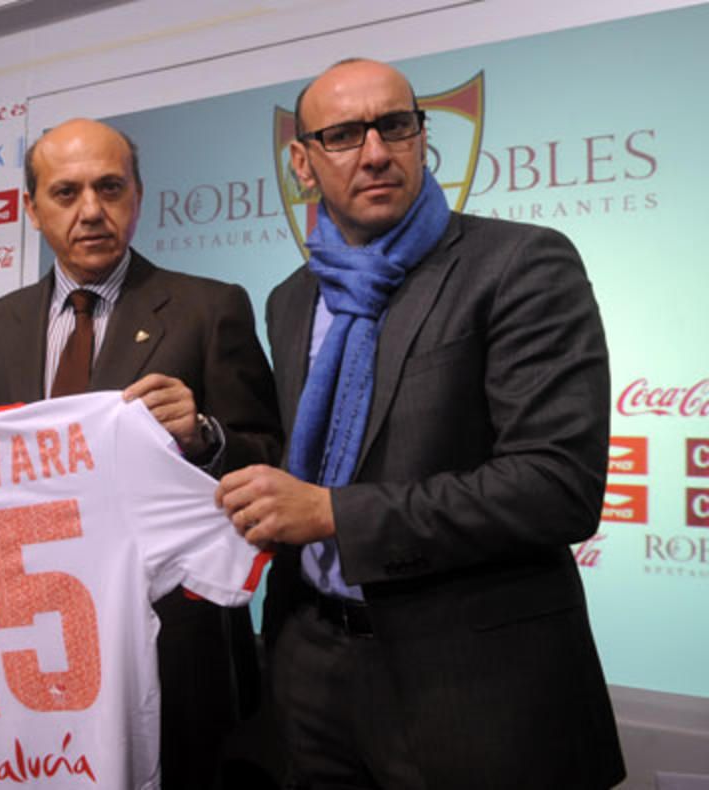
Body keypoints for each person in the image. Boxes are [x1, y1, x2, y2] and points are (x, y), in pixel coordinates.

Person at [216, 58, 626, 789]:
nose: (376, 152)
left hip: (475, 688)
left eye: (395, 125)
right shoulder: (291, 299)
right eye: (343, 135)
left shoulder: (520, 264)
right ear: (302, 163)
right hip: (309, 665)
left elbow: (556, 485)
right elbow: (292, 469)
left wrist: (334, 513)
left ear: (421, 135)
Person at [0, 117, 282, 789]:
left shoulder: (210, 309)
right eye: (66, 192)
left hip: (165, 643)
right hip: (22, 645)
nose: (92, 211)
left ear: (138, 197)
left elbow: (272, 459)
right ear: (31, 208)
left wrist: (205, 434)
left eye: (110, 188)